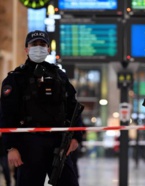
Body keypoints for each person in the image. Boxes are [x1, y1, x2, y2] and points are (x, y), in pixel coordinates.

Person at [0, 30, 82, 186]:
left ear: (48, 49)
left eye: (42, 44)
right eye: (34, 44)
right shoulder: (16, 78)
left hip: (59, 142)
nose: (39, 47)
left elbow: (73, 107)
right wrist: (10, 147)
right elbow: (6, 115)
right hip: (29, 144)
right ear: (26, 49)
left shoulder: (59, 76)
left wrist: (76, 136)